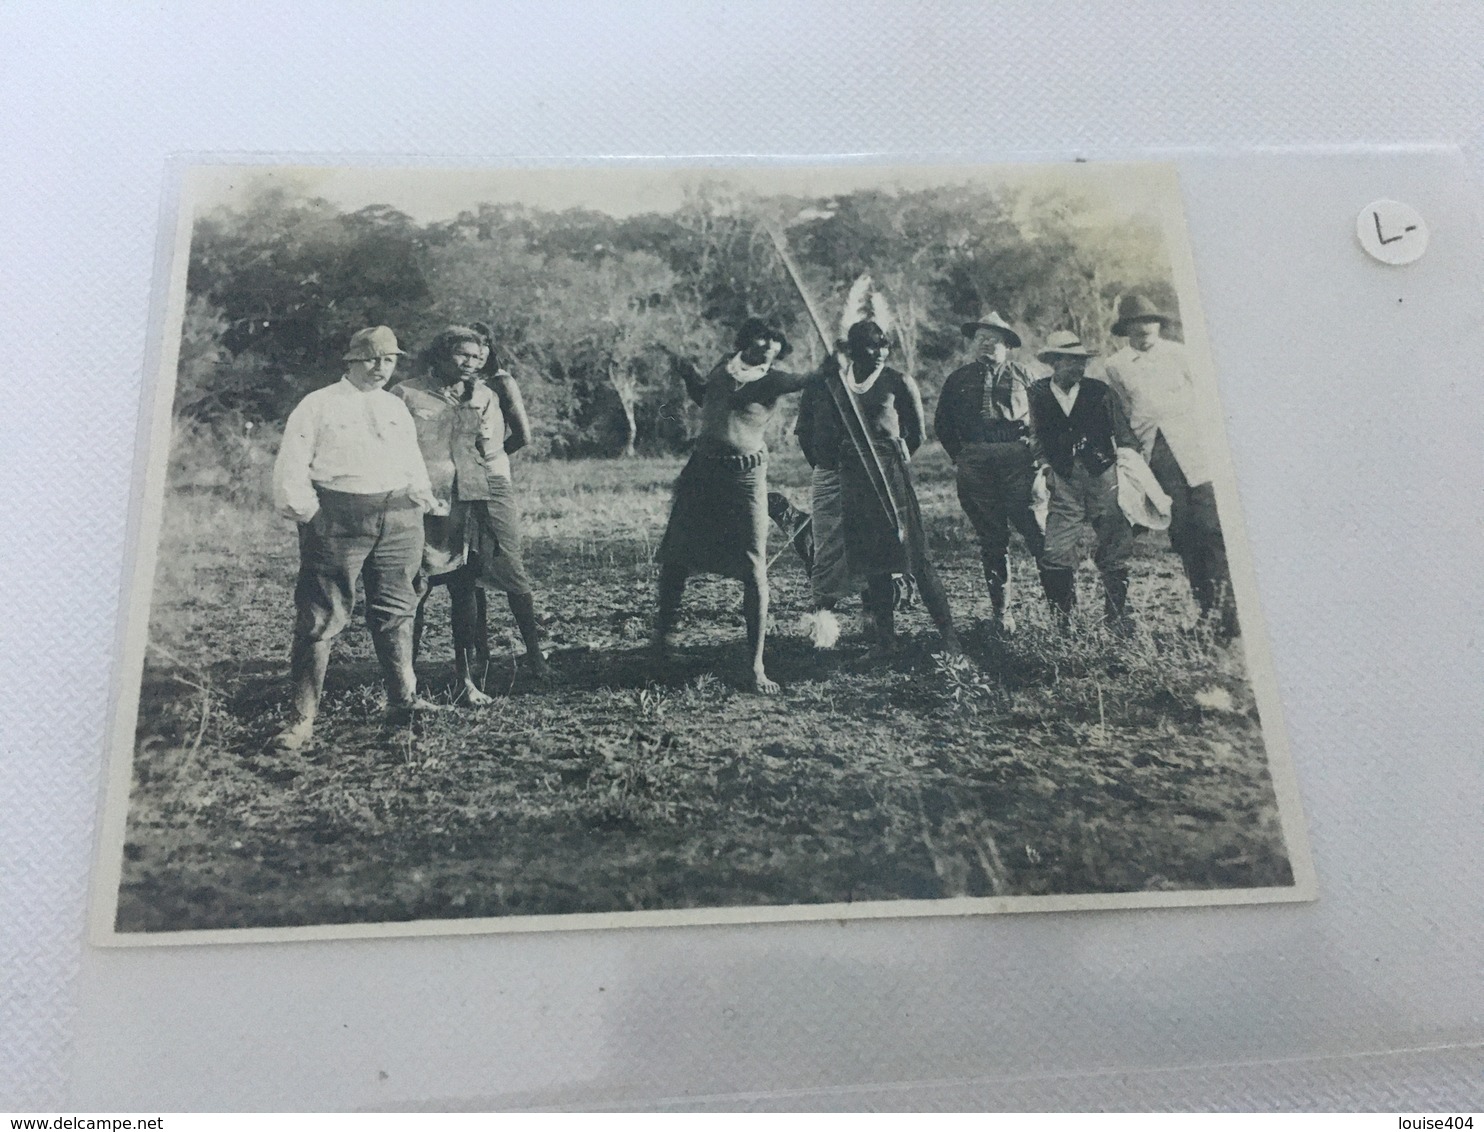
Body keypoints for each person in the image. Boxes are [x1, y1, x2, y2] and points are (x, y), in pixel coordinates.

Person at [269, 326, 439, 751]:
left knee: (397, 612)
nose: (380, 368)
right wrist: (311, 514)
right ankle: (301, 720)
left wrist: (421, 502)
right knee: (321, 617)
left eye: (389, 360)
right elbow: (292, 463)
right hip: (338, 518)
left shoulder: (395, 407)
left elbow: (412, 461)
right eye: (371, 358)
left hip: (399, 518)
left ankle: (403, 705)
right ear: (350, 361)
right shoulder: (319, 404)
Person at [393, 325, 549, 704]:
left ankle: (466, 681)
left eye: (478, 358)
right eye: (463, 355)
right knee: (417, 590)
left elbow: (489, 447)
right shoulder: (406, 393)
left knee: (466, 588)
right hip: (423, 501)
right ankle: (405, 684)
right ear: (442, 353)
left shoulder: (483, 394)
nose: (470, 363)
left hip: (471, 501)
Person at [655, 318, 806, 693]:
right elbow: (708, 398)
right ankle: (661, 643)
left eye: (774, 341)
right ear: (744, 341)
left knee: (754, 566)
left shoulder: (772, 380)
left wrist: (835, 363)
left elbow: (808, 380)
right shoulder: (725, 364)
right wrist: (689, 375)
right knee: (675, 558)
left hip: (745, 478)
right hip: (703, 472)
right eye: (761, 337)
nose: (767, 345)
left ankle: (755, 666)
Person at [803, 318, 961, 658]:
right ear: (854, 350)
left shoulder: (898, 381)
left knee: (916, 556)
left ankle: (949, 637)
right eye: (870, 346)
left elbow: (916, 435)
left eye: (884, 345)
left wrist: (899, 452)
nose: (879, 352)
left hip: (890, 476)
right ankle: (886, 643)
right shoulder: (838, 385)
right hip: (854, 479)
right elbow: (821, 430)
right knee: (874, 563)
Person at [1102, 294, 1239, 640]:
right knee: (1184, 535)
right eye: (1135, 322)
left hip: (1199, 451)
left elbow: (1211, 399)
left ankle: (1231, 616)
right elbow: (1126, 411)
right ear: (1126, 328)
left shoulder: (1181, 354)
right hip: (1158, 458)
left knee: (1212, 530)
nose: (1144, 327)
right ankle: (1207, 614)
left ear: (1159, 324)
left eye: (1150, 320)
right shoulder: (1116, 366)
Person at [934, 310, 1047, 634]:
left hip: (1018, 462)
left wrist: (1035, 452)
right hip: (976, 464)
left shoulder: (1025, 375)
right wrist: (962, 456)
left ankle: (1062, 612)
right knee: (992, 540)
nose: (986, 345)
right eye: (981, 339)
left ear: (1007, 346)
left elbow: (1044, 418)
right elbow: (943, 423)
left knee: (1038, 534)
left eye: (994, 341)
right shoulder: (958, 379)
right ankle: (1002, 615)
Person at [1026, 331, 1140, 630]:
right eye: (1071, 362)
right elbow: (1034, 435)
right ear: (1053, 362)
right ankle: (1063, 623)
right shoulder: (1037, 393)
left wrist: (1128, 475)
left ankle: (1117, 619)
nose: (1079, 368)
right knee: (1056, 551)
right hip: (1063, 480)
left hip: (1103, 475)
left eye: (1082, 362)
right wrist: (1044, 466)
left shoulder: (1099, 392)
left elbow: (1125, 436)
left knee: (1115, 547)